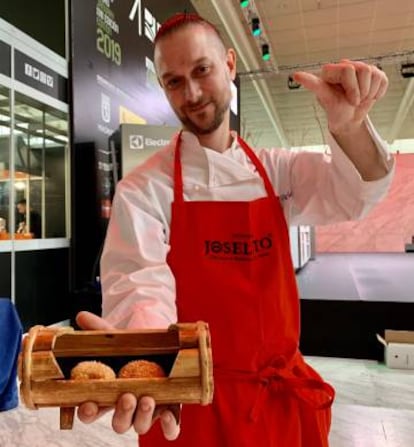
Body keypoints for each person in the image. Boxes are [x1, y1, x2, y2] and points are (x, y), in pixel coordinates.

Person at [76, 12, 394, 447]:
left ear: (229, 64)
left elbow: (355, 194)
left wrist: (350, 126)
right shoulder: (145, 188)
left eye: (202, 70)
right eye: (173, 81)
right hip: (190, 407)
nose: (191, 93)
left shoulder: (276, 170)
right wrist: (153, 360)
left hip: (278, 401)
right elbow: (138, 286)